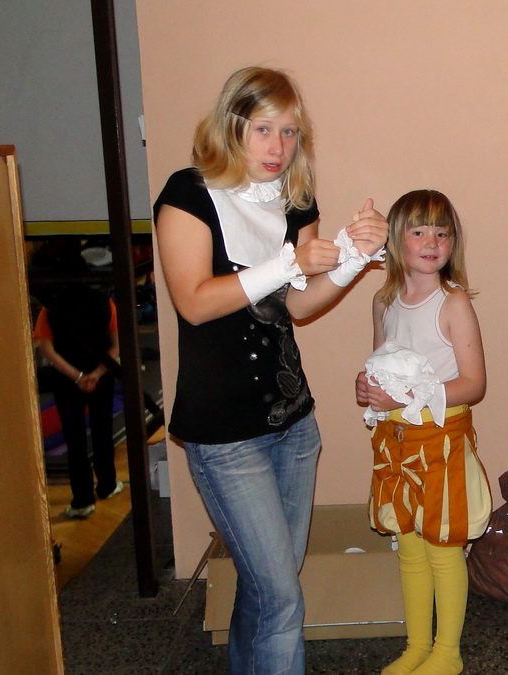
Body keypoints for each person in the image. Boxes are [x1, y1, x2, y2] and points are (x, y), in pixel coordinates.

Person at [153, 66, 387, 675]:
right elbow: (194, 302)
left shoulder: (295, 200)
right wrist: (288, 262)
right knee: (281, 596)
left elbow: (297, 306)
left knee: (267, 587)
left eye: (289, 132)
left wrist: (353, 258)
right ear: (231, 126)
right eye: (263, 129)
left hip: (293, 425)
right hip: (223, 435)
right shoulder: (188, 194)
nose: (277, 146)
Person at [355, 189, 488, 675]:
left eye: (442, 233)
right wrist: (367, 385)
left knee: (443, 549)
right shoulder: (383, 301)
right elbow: (381, 364)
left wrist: (405, 398)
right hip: (395, 444)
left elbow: (473, 384)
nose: (432, 242)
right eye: (419, 231)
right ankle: (417, 646)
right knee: (409, 549)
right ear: (395, 240)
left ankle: (447, 654)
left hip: (441, 442)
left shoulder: (452, 303)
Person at [34, 282, 122, 518]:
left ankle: (82, 501)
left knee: (74, 440)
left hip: (67, 381)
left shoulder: (50, 309)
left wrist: (78, 376)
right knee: (103, 432)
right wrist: (95, 374)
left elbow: (47, 351)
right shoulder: (107, 304)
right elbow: (116, 346)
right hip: (100, 378)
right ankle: (107, 485)